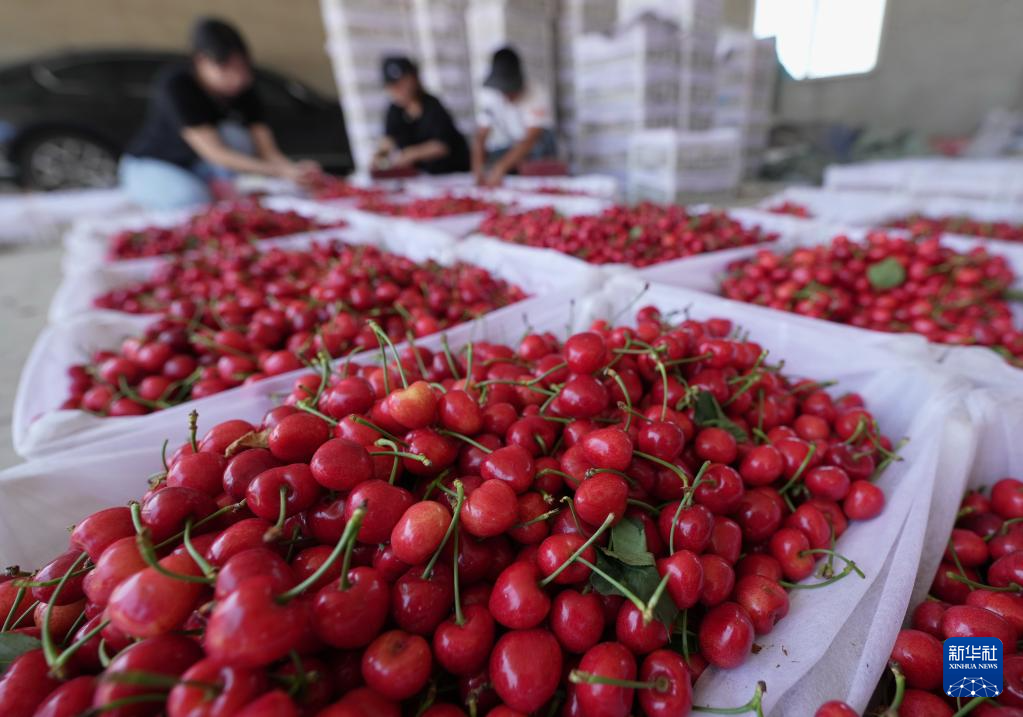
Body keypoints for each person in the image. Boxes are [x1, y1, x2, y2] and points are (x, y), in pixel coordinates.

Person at [120, 17, 320, 209]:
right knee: (192, 201)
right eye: (225, 69)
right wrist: (278, 171)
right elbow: (214, 152)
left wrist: (293, 171)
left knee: (236, 136)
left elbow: (266, 149)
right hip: (153, 165)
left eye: (241, 68)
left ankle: (217, 190)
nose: (236, 78)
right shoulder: (177, 85)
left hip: (201, 168)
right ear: (201, 61)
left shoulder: (245, 88)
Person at [471, 46, 557, 187]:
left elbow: (531, 138)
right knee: (494, 155)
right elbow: (480, 137)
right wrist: (478, 170)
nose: (507, 96)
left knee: (538, 152)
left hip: (536, 147)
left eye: (510, 90)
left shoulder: (537, 93)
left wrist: (501, 167)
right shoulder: (489, 95)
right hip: (510, 145)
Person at [373, 56, 469, 175]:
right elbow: (387, 141)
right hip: (422, 177)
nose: (397, 90)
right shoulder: (394, 110)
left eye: (401, 84)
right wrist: (379, 157)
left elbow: (441, 146)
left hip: (451, 172)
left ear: (414, 80)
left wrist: (411, 154)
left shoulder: (432, 106)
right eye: (392, 86)